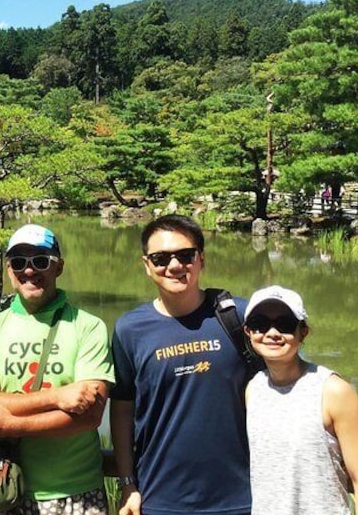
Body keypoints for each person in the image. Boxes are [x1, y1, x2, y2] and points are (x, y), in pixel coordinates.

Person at [0, 224, 114, 515]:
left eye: (41, 261)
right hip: (2, 487)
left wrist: (11, 424)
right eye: (20, 263)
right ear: (9, 270)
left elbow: (90, 417)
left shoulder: (88, 326)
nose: (30, 271)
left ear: (59, 267)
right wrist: (58, 398)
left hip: (75, 489)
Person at [110, 214, 251, 515]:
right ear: (146, 265)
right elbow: (122, 410)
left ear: (201, 259)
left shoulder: (239, 315)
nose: (174, 266)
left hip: (241, 497)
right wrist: (127, 483)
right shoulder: (129, 329)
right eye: (160, 258)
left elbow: (288, 378)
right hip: (159, 498)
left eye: (185, 255)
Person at [243, 285, 358, 515]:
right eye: (260, 324)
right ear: (248, 332)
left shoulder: (334, 392)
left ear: (303, 331)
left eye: (284, 324)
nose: (272, 333)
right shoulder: (253, 389)